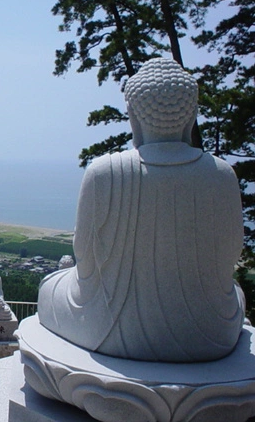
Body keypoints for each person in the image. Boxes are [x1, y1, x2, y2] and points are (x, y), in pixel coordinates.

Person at [37, 58, 245, 362]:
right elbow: (230, 255)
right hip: (212, 334)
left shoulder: (104, 171)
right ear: (191, 118)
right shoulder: (221, 174)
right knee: (236, 293)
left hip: (110, 332)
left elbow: (84, 257)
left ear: (134, 117)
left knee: (49, 286)